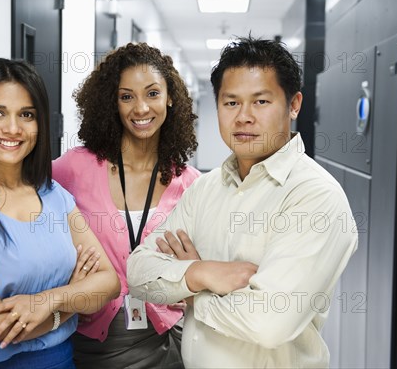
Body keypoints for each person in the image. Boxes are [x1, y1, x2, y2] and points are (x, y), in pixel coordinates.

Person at [127, 36, 359, 368]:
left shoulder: (315, 197)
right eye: (231, 102)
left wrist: (189, 289)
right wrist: (203, 271)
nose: (243, 117)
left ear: (294, 105)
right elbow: (139, 272)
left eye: (261, 102)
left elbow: (269, 323)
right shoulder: (204, 188)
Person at [0, 58, 120, 369]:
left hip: (62, 362)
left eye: (26, 115)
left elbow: (108, 283)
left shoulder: (55, 196)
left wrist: (46, 302)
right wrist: (72, 299)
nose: (12, 128)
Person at [52, 42, 200, 368]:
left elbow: (208, 271)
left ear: (170, 97)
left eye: (152, 93)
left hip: (167, 343)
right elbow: (25, 212)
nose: (141, 108)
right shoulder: (73, 169)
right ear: (112, 103)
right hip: (91, 343)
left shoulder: (191, 184)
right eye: (126, 96)